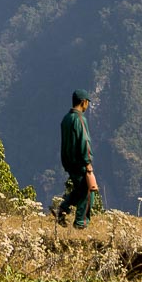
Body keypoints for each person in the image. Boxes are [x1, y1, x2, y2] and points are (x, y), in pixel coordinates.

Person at [52, 89, 97, 230]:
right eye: (87, 102)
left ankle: (62, 209)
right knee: (87, 192)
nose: (88, 105)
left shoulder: (66, 119)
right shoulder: (79, 119)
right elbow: (84, 141)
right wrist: (88, 161)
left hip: (69, 161)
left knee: (79, 189)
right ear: (83, 102)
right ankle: (80, 223)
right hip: (80, 162)